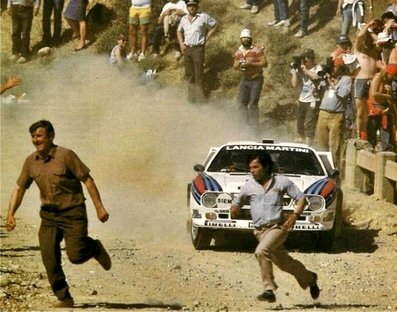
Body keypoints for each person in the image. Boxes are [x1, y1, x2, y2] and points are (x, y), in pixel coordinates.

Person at [5, 120, 111, 308]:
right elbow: (19, 189)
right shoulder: (31, 161)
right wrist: (10, 214)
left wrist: (99, 208)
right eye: (33, 137)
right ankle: (64, 297)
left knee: (76, 255)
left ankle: (94, 248)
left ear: (51, 136)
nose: (35, 140)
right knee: (49, 256)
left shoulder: (66, 155)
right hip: (49, 216)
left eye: (39, 136)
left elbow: (87, 180)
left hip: (73, 212)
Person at [229, 152, 320, 303]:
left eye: (256, 167)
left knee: (261, 251)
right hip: (260, 231)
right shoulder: (249, 185)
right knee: (285, 264)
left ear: (265, 167)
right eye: (250, 167)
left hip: (278, 228)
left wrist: (295, 215)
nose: (252, 170)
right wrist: (234, 208)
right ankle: (310, 278)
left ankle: (269, 289)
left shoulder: (281, 182)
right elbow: (237, 202)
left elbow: (301, 198)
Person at [177, 0, 217, 103]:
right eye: (190, 6)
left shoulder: (203, 16)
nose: (192, 7)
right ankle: (191, 98)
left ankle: (200, 99)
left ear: (197, 6)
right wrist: (181, 43)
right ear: (187, 7)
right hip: (187, 49)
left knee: (198, 74)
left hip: (198, 49)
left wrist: (207, 36)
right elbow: (179, 31)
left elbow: (215, 24)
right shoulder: (183, 19)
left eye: (194, 5)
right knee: (189, 74)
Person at [317, 58, 352, 168]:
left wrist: (332, 84)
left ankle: (334, 168)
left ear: (341, 68)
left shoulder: (346, 79)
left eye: (334, 67)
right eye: (331, 67)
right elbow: (318, 91)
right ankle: (323, 166)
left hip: (336, 115)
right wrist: (319, 82)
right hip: (323, 113)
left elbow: (343, 93)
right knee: (322, 141)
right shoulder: (326, 78)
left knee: (334, 144)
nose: (332, 69)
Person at [233, 28, 268, 128]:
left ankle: (254, 127)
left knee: (253, 104)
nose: (246, 40)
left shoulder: (257, 50)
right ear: (241, 39)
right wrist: (239, 64)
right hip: (245, 79)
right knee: (242, 103)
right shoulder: (238, 51)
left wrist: (251, 63)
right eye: (244, 38)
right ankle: (244, 125)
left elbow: (264, 63)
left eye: (247, 38)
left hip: (256, 79)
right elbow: (234, 65)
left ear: (251, 39)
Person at [354, 20, 382, 141]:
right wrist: (367, 26)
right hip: (362, 81)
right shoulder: (359, 48)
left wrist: (370, 32)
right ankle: (359, 137)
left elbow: (379, 40)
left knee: (374, 111)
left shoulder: (375, 49)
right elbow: (360, 36)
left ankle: (371, 137)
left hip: (374, 81)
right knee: (361, 112)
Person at [291, 48, 323, 145]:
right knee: (299, 123)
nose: (304, 61)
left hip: (313, 99)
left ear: (310, 59)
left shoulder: (318, 68)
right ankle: (302, 141)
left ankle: (308, 144)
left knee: (309, 123)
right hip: (302, 99)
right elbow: (294, 85)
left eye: (306, 59)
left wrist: (305, 70)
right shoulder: (300, 69)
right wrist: (296, 72)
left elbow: (316, 77)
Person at [366, 64, 397, 151]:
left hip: (384, 107)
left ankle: (386, 150)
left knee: (386, 131)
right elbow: (374, 93)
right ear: (388, 73)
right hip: (375, 107)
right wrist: (386, 96)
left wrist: (389, 91)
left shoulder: (387, 80)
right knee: (372, 133)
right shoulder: (378, 77)